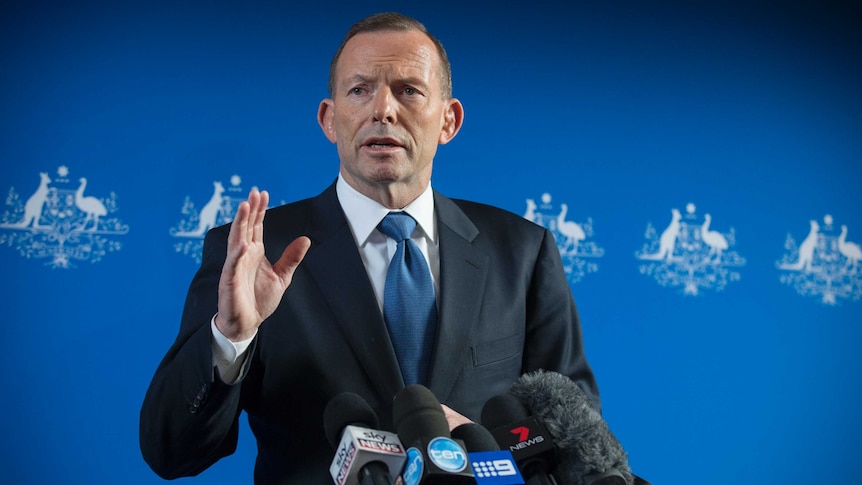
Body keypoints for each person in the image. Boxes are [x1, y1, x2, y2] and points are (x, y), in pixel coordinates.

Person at [140, 11, 600, 483]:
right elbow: (171, 451)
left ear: (449, 120)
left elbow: (577, 438)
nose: (382, 109)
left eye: (408, 90)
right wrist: (230, 337)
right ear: (329, 119)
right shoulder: (256, 253)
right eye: (359, 90)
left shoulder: (522, 250)